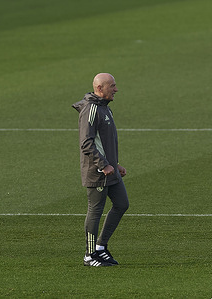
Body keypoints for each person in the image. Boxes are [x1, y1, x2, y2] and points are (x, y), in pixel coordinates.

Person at [72, 73, 129, 267]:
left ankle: (101, 247)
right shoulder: (91, 110)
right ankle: (89, 255)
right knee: (95, 211)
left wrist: (115, 163)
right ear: (99, 88)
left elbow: (104, 142)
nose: (116, 89)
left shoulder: (106, 109)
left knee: (122, 204)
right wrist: (103, 164)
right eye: (112, 86)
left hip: (110, 170)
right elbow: (86, 144)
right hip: (97, 171)